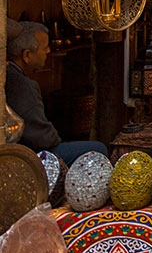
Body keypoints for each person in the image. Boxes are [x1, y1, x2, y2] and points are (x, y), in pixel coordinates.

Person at [6, 20, 107, 164]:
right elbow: (42, 138)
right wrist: (56, 139)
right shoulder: (23, 86)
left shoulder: (12, 74)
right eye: (44, 48)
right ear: (27, 55)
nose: (48, 51)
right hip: (29, 155)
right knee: (98, 149)